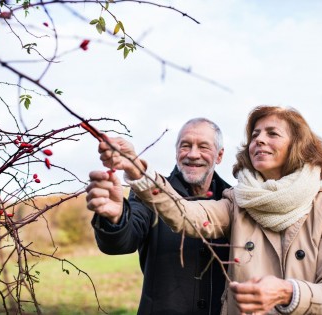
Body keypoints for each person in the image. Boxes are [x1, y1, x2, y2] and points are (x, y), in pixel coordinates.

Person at [87, 106, 322, 315]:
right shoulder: (237, 201)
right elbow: (185, 214)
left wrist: (288, 292)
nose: (259, 140)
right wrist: (136, 171)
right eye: (255, 135)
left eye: (272, 133)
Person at [86, 118, 232, 315]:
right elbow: (122, 242)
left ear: (219, 155)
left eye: (203, 147)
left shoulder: (232, 202)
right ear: (176, 152)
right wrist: (115, 218)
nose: (192, 154)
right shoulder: (148, 193)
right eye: (185, 146)